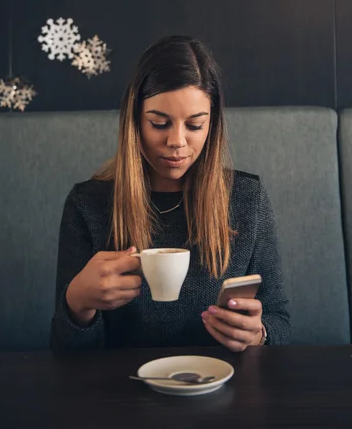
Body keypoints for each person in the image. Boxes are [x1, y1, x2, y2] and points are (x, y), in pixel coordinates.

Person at [50, 35, 290, 352]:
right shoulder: (88, 206)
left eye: (194, 125)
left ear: (212, 125)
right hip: (123, 393)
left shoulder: (246, 199)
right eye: (160, 123)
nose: (177, 141)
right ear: (135, 120)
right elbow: (66, 355)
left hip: (223, 386)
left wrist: (259, 334)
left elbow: (281, 322)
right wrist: (77, 303)